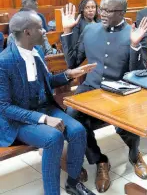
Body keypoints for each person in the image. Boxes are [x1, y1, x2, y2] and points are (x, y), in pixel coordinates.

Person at [61, 0, 147, 193]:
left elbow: (137, 74)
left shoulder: (135, 33)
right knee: (72, 116)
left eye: (108, 11)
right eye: (101, 9)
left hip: (120, 91)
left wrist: (135, 45)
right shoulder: (90, 30)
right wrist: (67, 31)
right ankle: (100, 161)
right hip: (91, 89)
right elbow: (72, 62)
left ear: (122, 12)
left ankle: (134, 154)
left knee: (127, 122)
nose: (102, 13)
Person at [0, 11, 97, 195]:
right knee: (53, 138)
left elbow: (45, 82)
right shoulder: (4, 62)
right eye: (40, 27)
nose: (45, 30)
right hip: (18, 119)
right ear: (27, 32)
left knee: (77, 131)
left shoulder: (36, 51)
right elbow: (4, 108)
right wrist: (43, 119)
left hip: (43, 107)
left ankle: (73, 183)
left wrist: (69, 74)